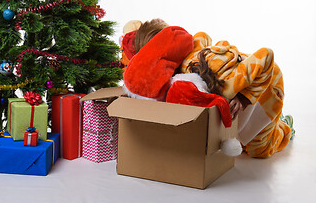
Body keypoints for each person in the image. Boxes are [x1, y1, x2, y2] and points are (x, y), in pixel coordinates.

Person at [120, 19, 294, 158]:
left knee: (259, 150)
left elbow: (267, 56)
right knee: (240, 135)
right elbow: (203, 36)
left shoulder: (217, 73)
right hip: (245, 76)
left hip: (269, 84)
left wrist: (244, 98)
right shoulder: (182, 61)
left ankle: (286, 127)